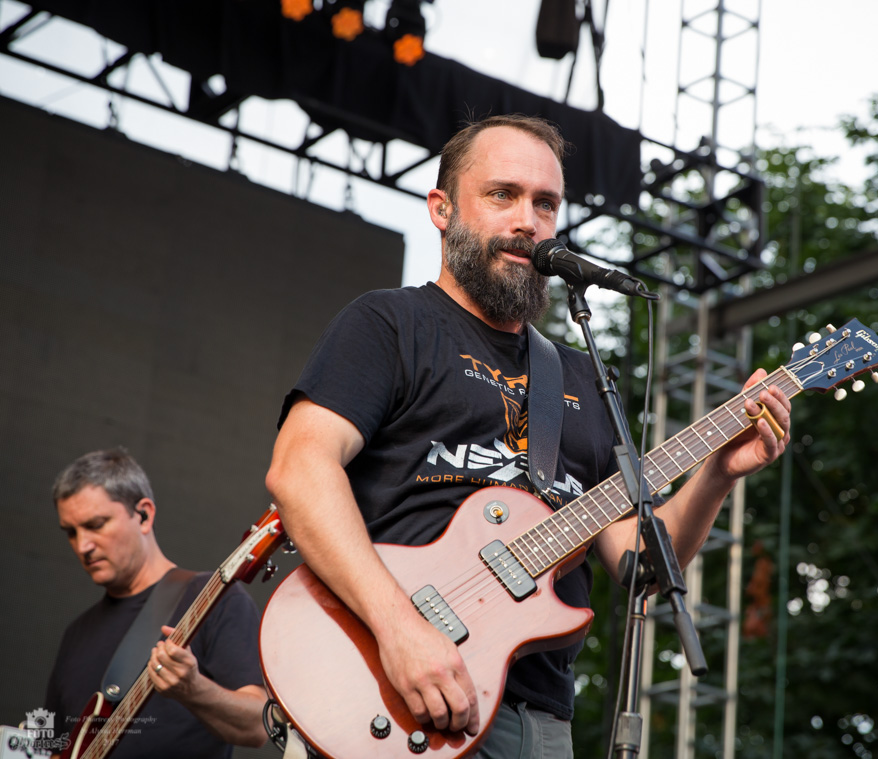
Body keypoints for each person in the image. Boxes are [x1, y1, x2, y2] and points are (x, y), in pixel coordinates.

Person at [265, 114, 791, 757]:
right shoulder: (389, 323)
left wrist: (717, 473)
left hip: (537, 723)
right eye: (502, 195)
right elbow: (300, 470)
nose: (528, 220)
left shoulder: (580, 375)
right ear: (442, 208)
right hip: (382, 683)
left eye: (546, 203)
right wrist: (400, 631)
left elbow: (640, 569)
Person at [45, 448, 269, 758]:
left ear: (144, 515)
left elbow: (259, 726)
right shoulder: (76, 634)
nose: (83, 546)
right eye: (71, 532)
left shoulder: (215, 599)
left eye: (96, 525)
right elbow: (55, 748)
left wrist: (194, 689)